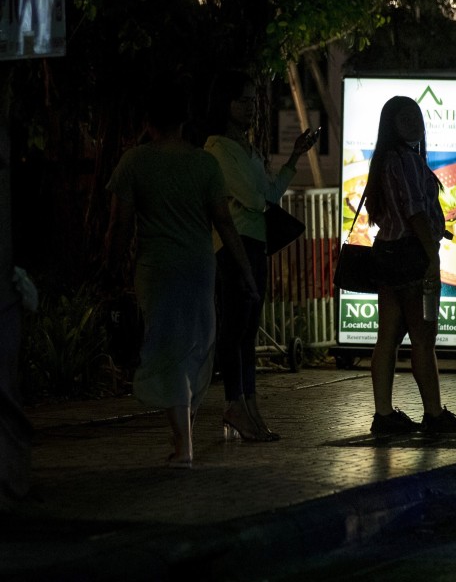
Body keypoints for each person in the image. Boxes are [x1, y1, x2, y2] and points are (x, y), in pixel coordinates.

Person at [104, 78, 258, 468]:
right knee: (194, 349)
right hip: (199, 268)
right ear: (185, 119)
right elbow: (225, 224)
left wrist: (110, 271)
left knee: (165, 349)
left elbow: (119, 227)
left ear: (148, 120)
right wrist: (246, 273)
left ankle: (183, 443)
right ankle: (183, 435)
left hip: (157, 270)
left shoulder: (134, 162)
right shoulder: (203, 164)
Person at [204, 70, 319, 441]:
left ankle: (249, 406)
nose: (252, 108)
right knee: (236, 328)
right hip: (233, 246)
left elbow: (268, 194)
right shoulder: (218, 148)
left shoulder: (246, 149)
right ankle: (235, 404)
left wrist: (294, 157)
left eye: (254, 101)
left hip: (256, 243)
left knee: (248, 330)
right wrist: (263, 194)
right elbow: (256, 198)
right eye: (244, 100)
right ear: (225, 103)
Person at [363, 96, 456, 435]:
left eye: (416, 116)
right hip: (414, 256)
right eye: (404, 117)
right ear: (391, 124)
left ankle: (383, 415)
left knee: (387, 339)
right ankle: (434, 415)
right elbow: (415, 212)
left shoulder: (384, 160)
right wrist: (431, 254)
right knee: (424, 338)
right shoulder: (408, 160)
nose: (414, 123)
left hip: (387, 253)